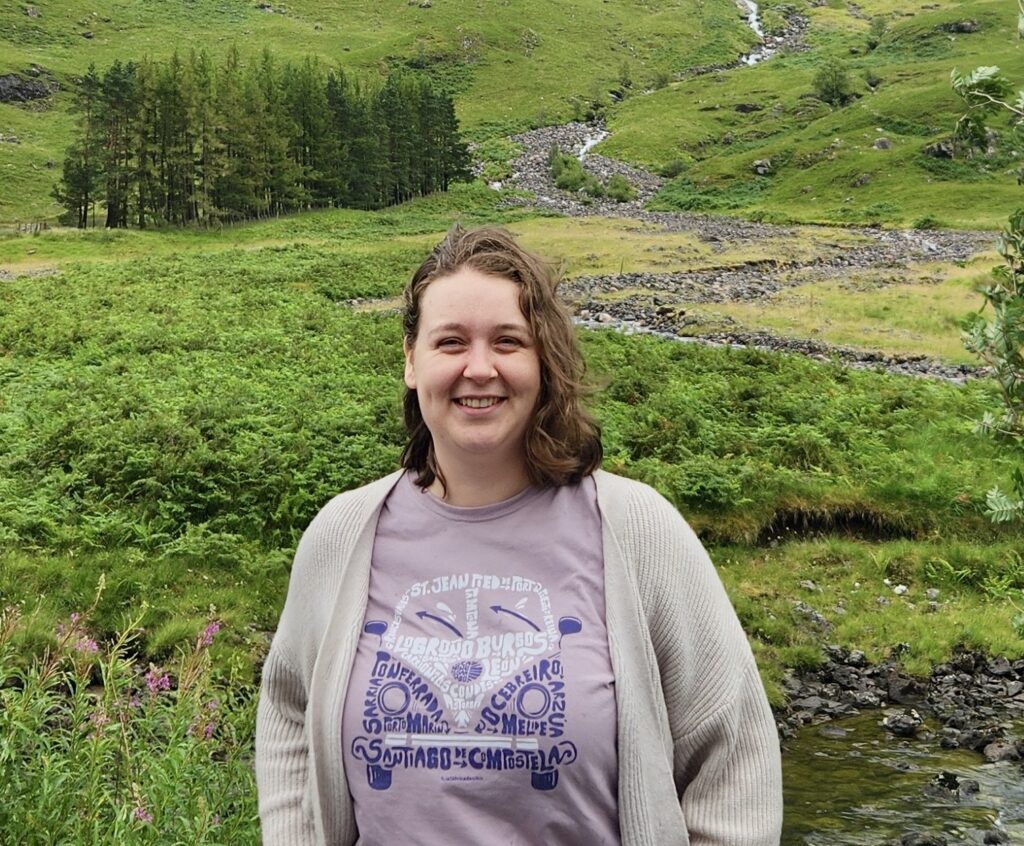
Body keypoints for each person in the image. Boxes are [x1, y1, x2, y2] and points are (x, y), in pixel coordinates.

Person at [255, 224, 783, 846]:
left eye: (508, 341)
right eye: (451, 342)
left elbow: (733, 760)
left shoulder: (638, 530)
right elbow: (289, 710)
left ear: (542, 361)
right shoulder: (343, 535)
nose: (479, 368)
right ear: (411, 360)